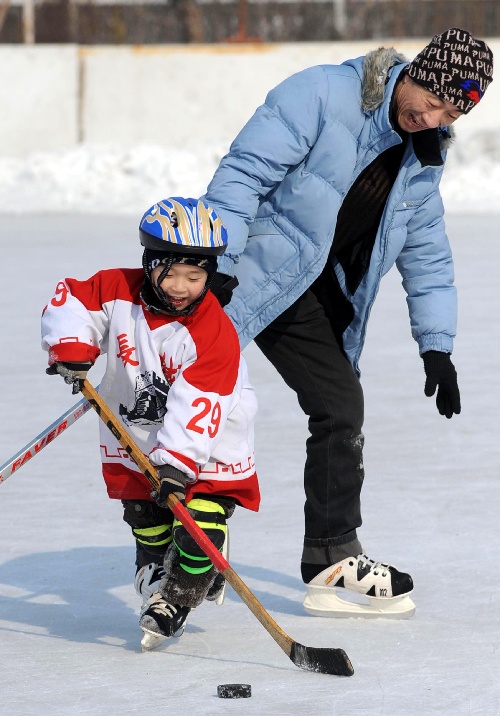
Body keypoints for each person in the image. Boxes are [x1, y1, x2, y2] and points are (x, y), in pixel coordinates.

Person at [203, 28, 493, 618]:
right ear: (414, 71)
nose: (431, 118)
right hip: (255, 272)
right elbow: (243, 175)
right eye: (431, 100)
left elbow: (427, 250)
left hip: (319, 294)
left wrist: (436, 344)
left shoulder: (424, 155)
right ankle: (180, 543)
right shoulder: (323, 94)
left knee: (340, 408)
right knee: (202, 403)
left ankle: (332, 558)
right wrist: (219, 260)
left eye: (449, 113)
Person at [41, 197, 260, 648]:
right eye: (170, 273)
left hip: (206, 437)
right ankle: (157, 562)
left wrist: (176, 465)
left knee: (195, 515)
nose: (181, 287)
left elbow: (198, 406)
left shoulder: (213, 335)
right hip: (134, 421)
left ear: (210, 275)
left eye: (195, 277)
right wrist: (72, 346)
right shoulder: (116, 288)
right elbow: (72, 302)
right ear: (149, 264)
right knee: (143, 510)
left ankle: (179, 594)